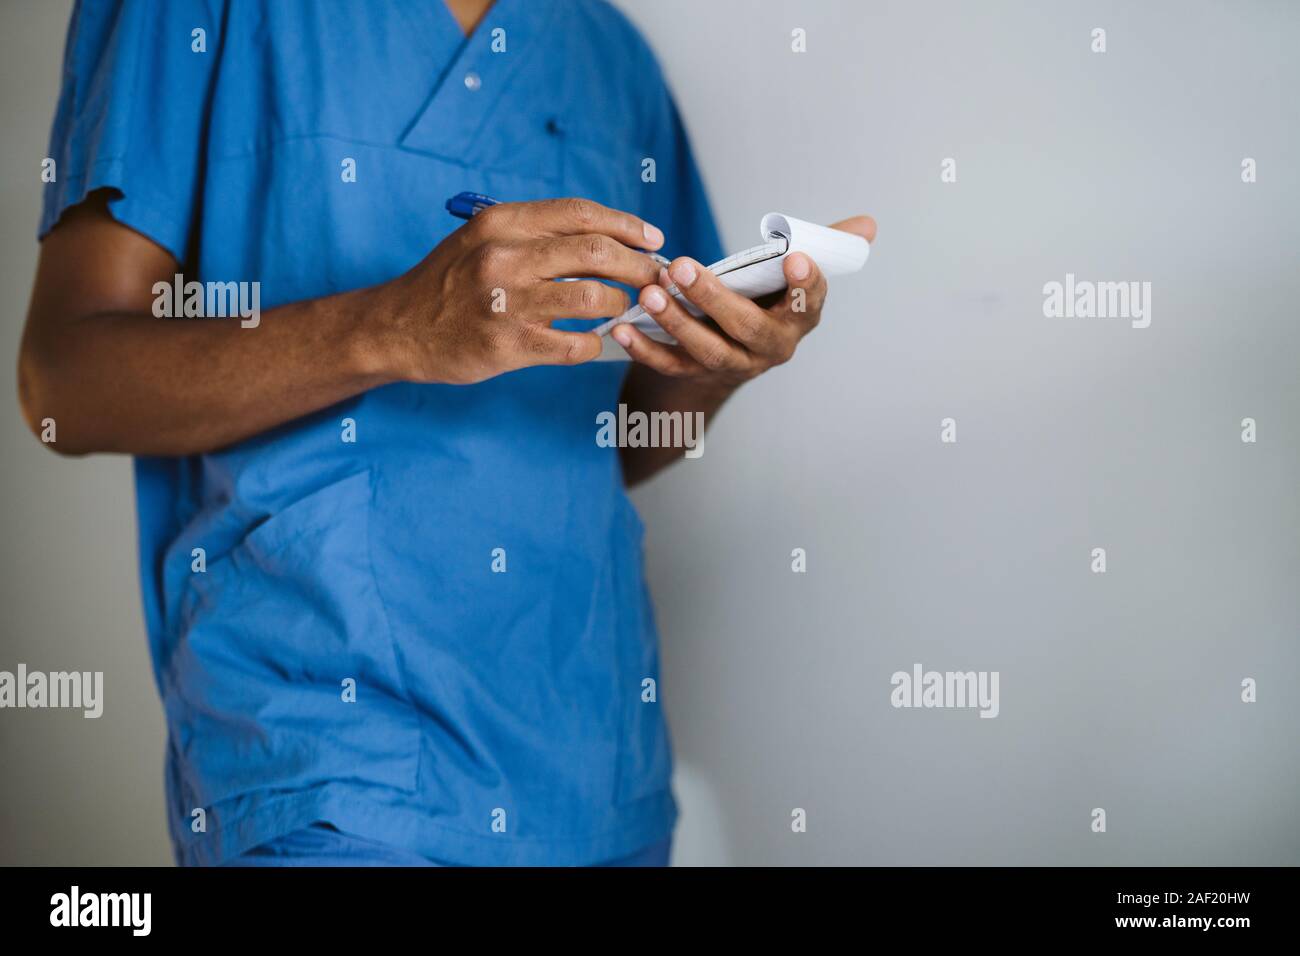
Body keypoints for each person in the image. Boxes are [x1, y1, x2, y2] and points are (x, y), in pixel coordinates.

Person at [18, 0, 875, 866]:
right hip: (331, 766)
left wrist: (724, 361)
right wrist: (396, 324)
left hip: (597, 769)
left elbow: (614, 443)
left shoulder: (612, 58)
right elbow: (63, 380)